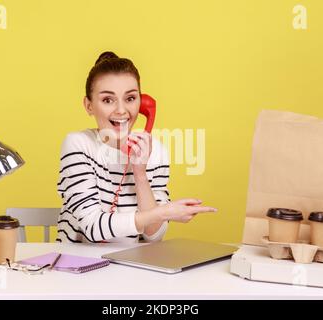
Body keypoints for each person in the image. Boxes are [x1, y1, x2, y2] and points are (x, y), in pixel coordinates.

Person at [56, 51, 217, 243]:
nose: (122, 110)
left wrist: (140, 173)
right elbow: (92, 227)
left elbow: (153, 237)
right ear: (89, 105)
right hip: (76, 267)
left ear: (142, 103)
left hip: (130, 268)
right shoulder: (78, 144)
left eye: (130, 98)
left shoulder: (154, 150)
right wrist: (164, 212)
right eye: (108, 100)